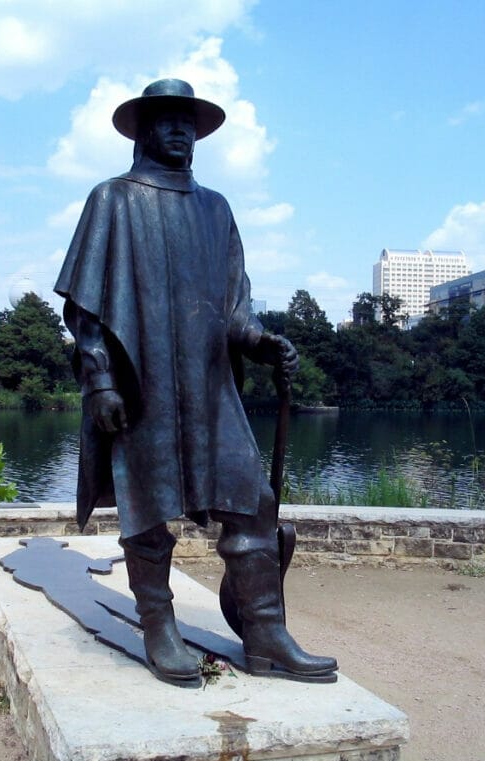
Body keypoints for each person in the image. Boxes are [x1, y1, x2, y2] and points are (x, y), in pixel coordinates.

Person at [54, 79, 337, 688]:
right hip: (143, 382)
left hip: (210, 389)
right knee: (147, 509)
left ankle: (266, 634)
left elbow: (235, 306)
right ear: (144, 130)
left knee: (254, 503)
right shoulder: (113, 200)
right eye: (167, 120)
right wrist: (101, 378)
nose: (180, 130)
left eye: (189, 121)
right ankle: (158, 624)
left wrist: (262, 340)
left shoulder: (217, 209)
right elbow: (86, 310)